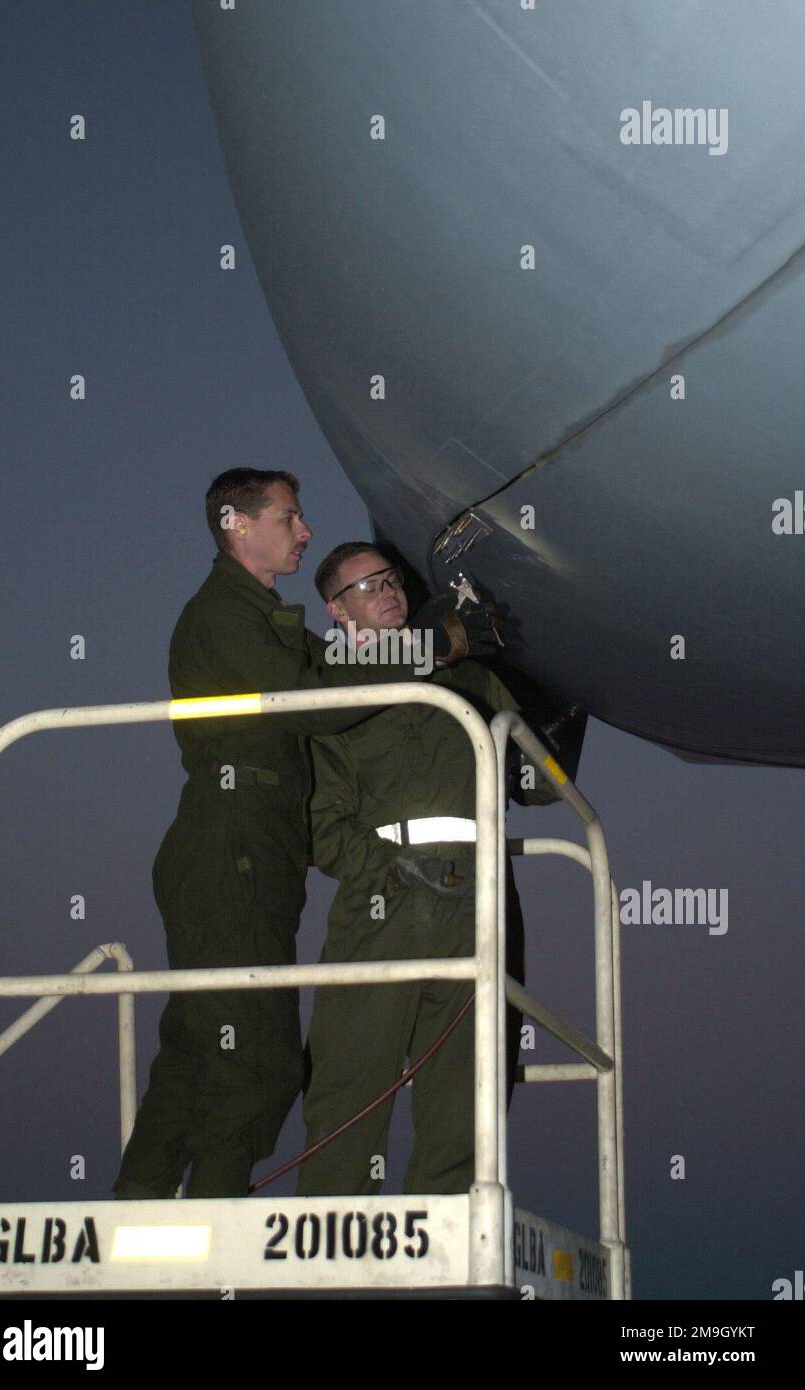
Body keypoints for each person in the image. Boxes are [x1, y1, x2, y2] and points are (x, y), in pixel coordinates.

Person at [113, 471, 497, 1200]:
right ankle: (212, 1228)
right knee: (255, 1058)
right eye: (289, 517)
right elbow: (319, 699)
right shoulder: (224, 618)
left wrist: (438, 645)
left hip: (257, 845)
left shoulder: (261, 618)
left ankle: (136, 1213)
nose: (305, 530)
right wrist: (433, 644)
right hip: (230, 842)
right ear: (237, 525)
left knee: (202, 1043)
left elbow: (336, 668)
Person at [297, 542, 558, 1197]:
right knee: (350, 1085)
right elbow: (318, 824)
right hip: (381, 903)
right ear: (335, 610)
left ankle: (445, 1265)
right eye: (367, 587)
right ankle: (328, 1263)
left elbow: (542, 785)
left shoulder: (470, 678)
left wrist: (537, 678)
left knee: (469, 1095)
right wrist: (389, 873)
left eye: (390, 580)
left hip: (481, 897)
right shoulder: (331, 691)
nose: (387, 592)